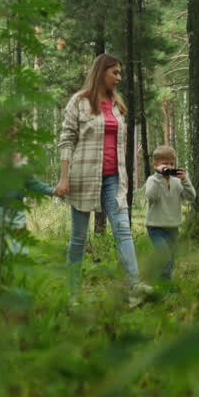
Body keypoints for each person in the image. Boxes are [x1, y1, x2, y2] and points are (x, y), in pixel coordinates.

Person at [54, 53, 152, 303]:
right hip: (83, 178)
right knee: (78, 238)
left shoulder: (118, 105)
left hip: (113, 179)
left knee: (123, 231)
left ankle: (134, 287)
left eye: (120, 73)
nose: (119, 78)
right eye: (115, 73)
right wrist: (64, 178)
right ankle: (73, 294)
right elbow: (67, 140)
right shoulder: (79, 101)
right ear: (101, 72)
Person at [0, 150, 55, 257]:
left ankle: (21, 264)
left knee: (21, 247)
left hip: (18, 211)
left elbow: (33, 184)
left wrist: (52, 190)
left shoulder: (21, 165)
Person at [143, 145, 195, 282]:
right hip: (155, 226)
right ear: (155, 164)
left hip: (173, 227)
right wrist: (160, 177)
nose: (169, 166)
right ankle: (162, 283)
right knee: (164, 254)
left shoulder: (178, 181)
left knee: (171, 258)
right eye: (165, 163)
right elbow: (151, 196)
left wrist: (185, 179)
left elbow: (191, 196)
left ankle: (164, 281)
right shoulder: (152, 180)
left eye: (172, 163)